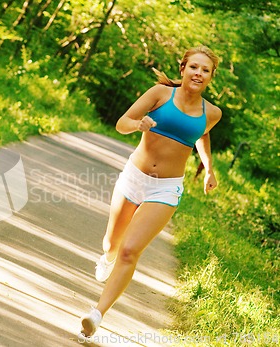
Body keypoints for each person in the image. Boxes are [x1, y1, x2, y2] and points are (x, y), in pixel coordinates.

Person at [79, 45, 222, 337]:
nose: (198, 73)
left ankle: (97, 314)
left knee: (130, 251)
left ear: (210, 78)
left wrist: (208, 168)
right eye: (194, 67)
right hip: (134, 176)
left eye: (205, 70)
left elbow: (201, 134)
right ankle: (107, 258)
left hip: (166, 188)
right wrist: (138, 124)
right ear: (183, 69)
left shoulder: (213, 112)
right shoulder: (159, 94)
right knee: (112, 245)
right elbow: (122, 123)